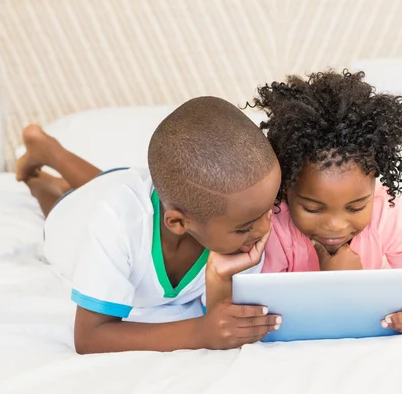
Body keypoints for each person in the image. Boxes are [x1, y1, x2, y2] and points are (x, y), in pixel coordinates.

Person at [16, 97, 282, 353]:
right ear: (178, 222)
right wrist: (200, 332)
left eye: (271, 208)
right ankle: (39, 178)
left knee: (111, 182)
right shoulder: (117, 221)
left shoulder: (233, 216)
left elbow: (222, 318)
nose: (264, 229)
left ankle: (49, 150)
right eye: (246, 227)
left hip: (127, 184)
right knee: (65, 201)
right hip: (76, 216)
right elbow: (89, 336)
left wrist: (219, 277)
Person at [252, 70, 402, 338]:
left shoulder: (386, 213)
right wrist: (342, 285)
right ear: (286, 189)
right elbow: (258, 311)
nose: (335, 226)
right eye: (313, 208)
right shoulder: (274, 226)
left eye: (355, 207)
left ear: (374, 186)